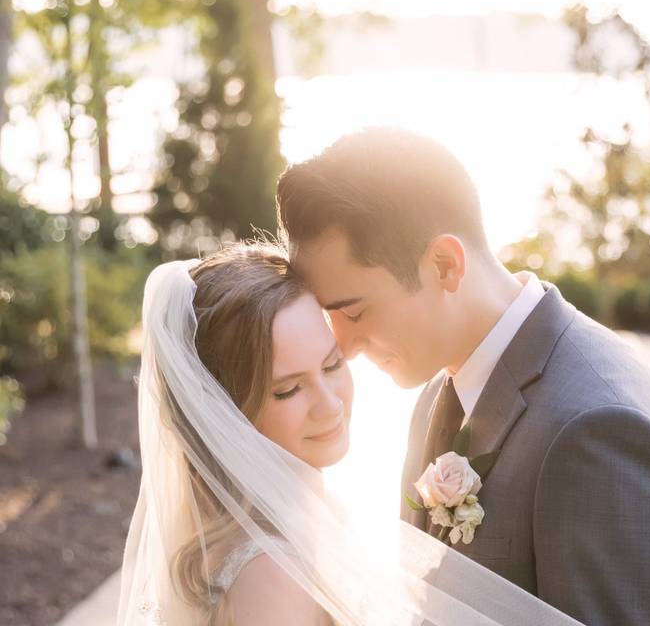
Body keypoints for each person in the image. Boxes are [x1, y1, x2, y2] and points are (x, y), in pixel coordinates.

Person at [277, 127, 650, 626]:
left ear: (444, 265)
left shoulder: (600, 432)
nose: (342, 347)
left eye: (354, 311)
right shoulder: (441, 387)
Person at [117, 243, 582, 626]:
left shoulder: (283, 522)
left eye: (332, 364)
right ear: (225, 411)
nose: (331, 403)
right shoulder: (271, 575)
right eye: (289, 389)